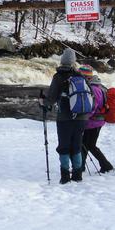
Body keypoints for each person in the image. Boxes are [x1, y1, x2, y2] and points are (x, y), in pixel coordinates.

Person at [45, 48, 90, 184]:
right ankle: (77, 175)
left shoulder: (58, 76)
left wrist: (44, 102)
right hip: (81, 117)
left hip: (64, 118)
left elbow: (51, 98)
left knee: (64, 146)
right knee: (76, 145)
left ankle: (65, 176)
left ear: (62, 60)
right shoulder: (80, 76)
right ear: (73, 62)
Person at [79, 65, 114, 173]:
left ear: (87, 77)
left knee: (89, 145)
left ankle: (106, 166)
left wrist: (84, 118)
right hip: (97, 121)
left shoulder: (93, 89)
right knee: (85, 144)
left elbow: (93, 107)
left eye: (81, 76)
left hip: (93, 122)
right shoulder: (98, 86)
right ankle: (81, 167)